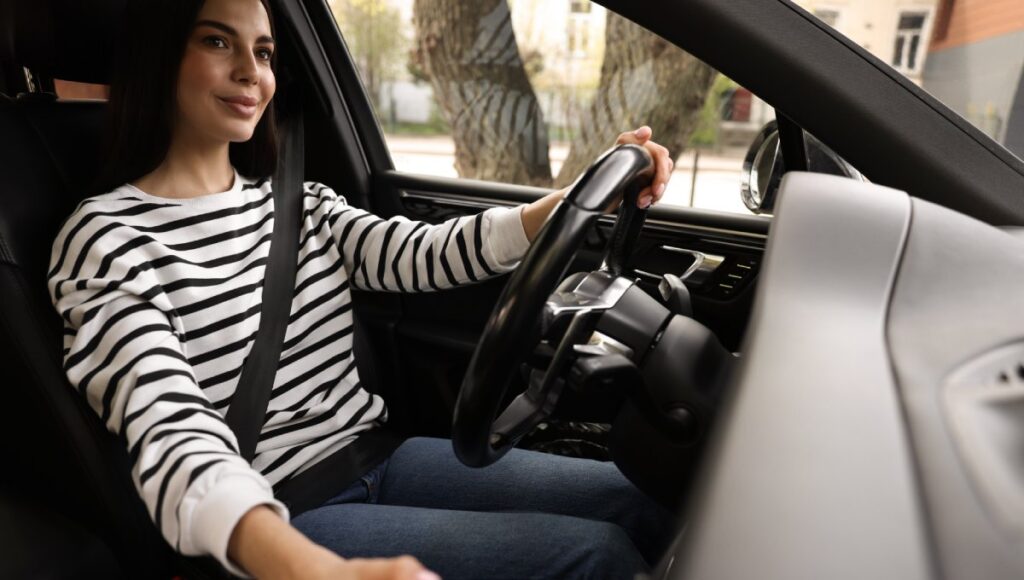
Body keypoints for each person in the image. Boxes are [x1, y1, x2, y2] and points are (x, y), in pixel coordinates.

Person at [47, 0, 677, 578]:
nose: (249, 71)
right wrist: (314, 569)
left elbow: (424, 254)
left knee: (642, 501)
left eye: (264, 53)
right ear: (162, 57)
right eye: (218, 42)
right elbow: (170, 430)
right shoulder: (106, 238)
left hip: (380, 456)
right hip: (284, 514)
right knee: (598, 559)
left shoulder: (299, 204)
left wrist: (580, 196)